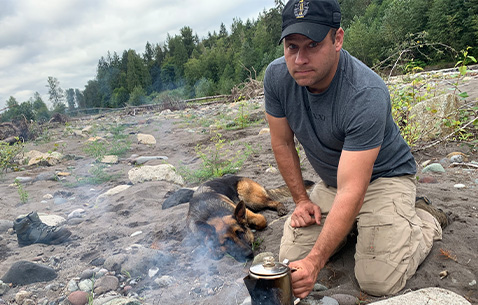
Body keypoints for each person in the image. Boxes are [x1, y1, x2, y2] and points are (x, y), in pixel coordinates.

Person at [264, 0, 449, 298]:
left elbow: (353, 190)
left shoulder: (365, 93)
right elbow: (282, 142)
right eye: (291, 46)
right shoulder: (276, 78)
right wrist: (300, 200)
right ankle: (356, 228)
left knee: (377, 280)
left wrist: (315, 262)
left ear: (337, 39)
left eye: (312, 45)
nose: (299, 59)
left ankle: (424, 219)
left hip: (383, 179)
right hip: (336, 181)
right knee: (289, 258)